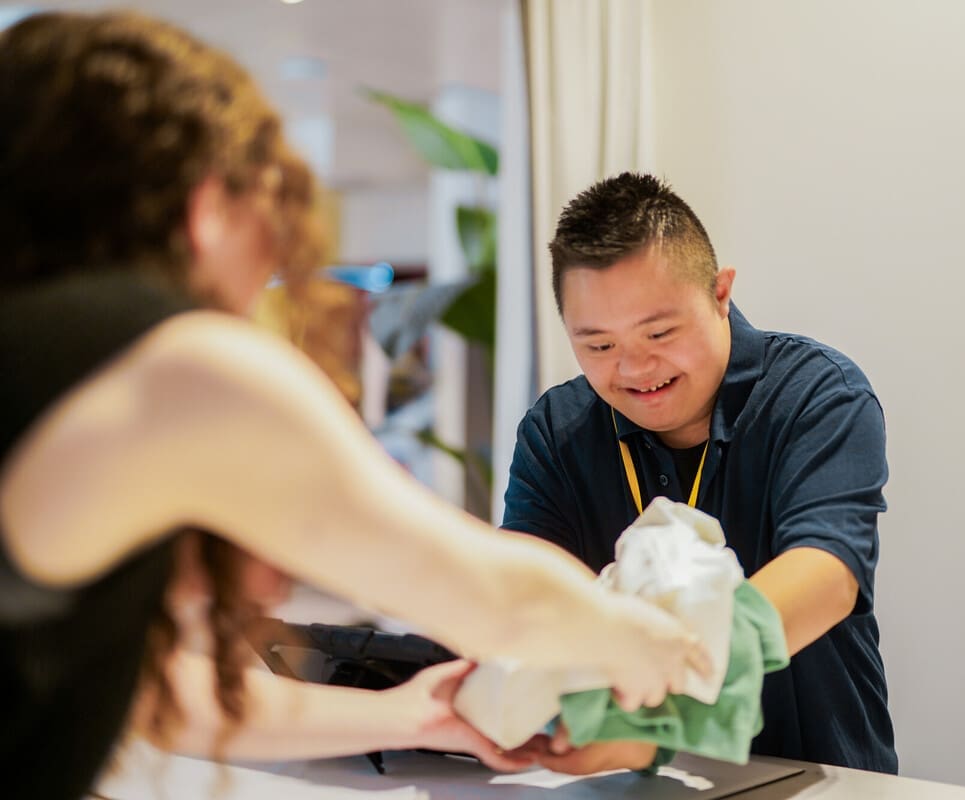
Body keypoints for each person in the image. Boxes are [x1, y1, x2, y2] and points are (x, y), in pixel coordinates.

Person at [0, 14, 705, 800]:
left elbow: (162, 693)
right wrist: (642, 639)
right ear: (207, 204)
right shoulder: (174, 366)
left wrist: (413, 717)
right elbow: (481, 592)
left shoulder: (44, 366)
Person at [504, 172, 897, 774]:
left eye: (659, 332)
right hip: (617, 783)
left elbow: (827, 573)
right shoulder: (558, 431)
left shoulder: (817, 395)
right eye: (599, 346)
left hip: (813, 775)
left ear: (720, 293)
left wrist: (659, 696)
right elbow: (531, 591)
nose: (635, 368)